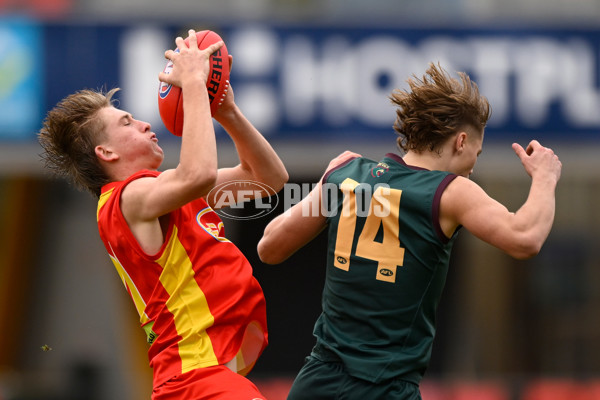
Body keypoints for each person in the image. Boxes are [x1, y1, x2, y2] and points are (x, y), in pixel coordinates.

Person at [257, 62, 562, 400]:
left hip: (317, 382)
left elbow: (269, 247)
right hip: (385, 388)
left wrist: (327, 185)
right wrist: (545, 179)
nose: (472, 168)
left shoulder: (345, 173)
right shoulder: (451, 192)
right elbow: (525, 237)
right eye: (476, 153)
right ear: (461, 141)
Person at [38, 29, 288, 400]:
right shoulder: (128, 198)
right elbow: (199, 173)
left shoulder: (164, 192)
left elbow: (266, 178)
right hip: (197, 378)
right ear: (106, 152)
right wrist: (193, 86)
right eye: (126, 123)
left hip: (204, 377)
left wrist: (227, 111)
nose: (145, 123)